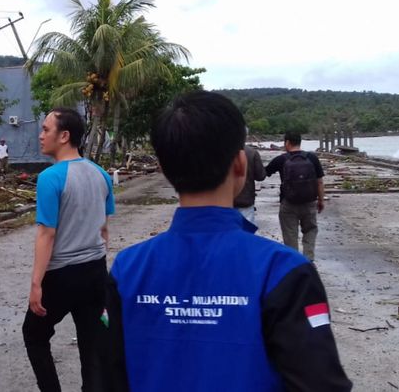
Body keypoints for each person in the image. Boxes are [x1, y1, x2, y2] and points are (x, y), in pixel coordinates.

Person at [104, 91, 350, 391]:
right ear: (239, 165)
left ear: (165, 170)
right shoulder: (284, 270)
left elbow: (109, 379)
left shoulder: (127, 269)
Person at [23, 107, 115, 392]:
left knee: (34, 335)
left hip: (62, 274)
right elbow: (103, 229)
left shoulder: (50, 177)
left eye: (46, 130)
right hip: (96, 270)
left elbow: (47, 233)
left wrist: (37, 282)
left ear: (64, 136)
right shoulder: (101, 174)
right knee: (92, 344)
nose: (40, 136)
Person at [265, 131, 325, 261]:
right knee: (310, 230)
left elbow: (264, 173)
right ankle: (308, 259)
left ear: (287, 142)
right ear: (300, 142)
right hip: (309, 202)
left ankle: (294, 263)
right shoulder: (312, 158)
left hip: (288, 204)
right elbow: (319, 182)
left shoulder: (281, 159)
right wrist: (321, 200)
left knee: (290, 234)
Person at [233, 141, 266, 223]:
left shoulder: (221, 151)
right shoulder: (252, 152)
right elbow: (261, 176)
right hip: (246, 199)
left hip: (225, 202)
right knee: (246, 232)